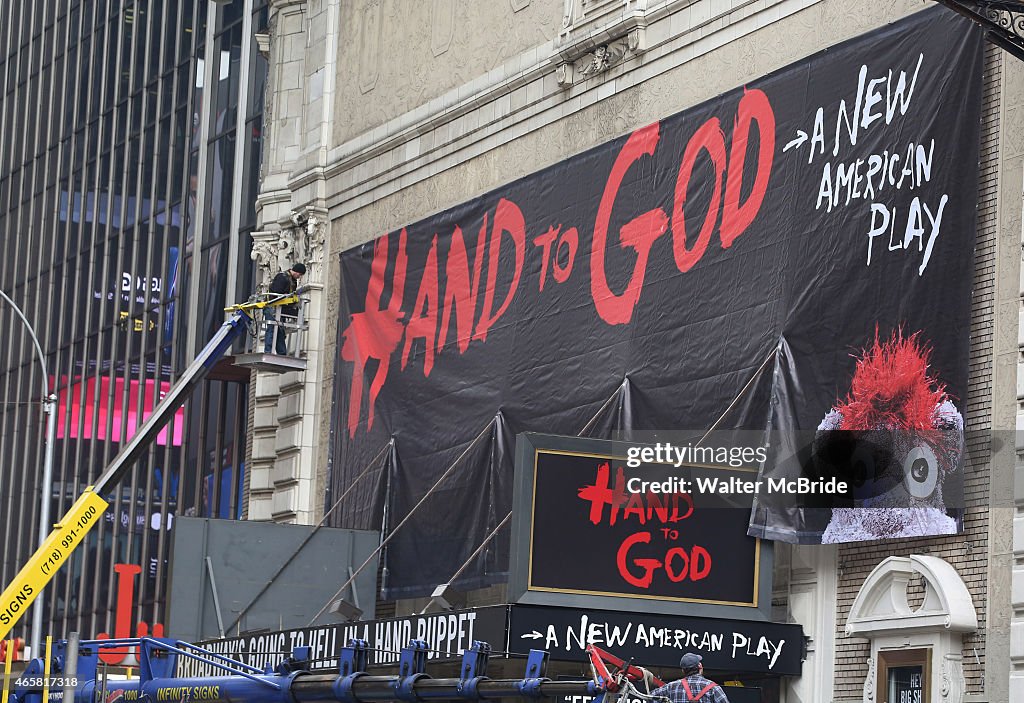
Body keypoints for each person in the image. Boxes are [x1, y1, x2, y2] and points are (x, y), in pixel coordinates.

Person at [650, 654, 729, 703]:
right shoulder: (713, 688)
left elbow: (650, 697)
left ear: (683, 670)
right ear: (700, 666)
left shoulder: (671, 687)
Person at [264, 263, 305, 354]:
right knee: (272, 329)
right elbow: (276, 293)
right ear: (297, 272)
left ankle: (282, 353)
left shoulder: (292, 280)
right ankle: (268, 352)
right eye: (300, 275)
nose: (299, 277)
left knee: (280, 332)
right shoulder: (282, 277)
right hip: (272, 307)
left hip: (279, 308)